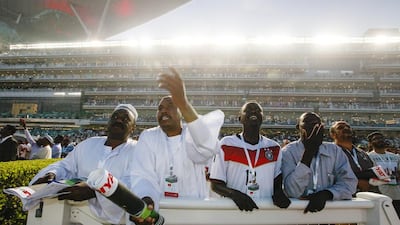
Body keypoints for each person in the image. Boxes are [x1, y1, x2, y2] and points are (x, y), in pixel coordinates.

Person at [130, 67, 224, 211]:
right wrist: (146, 199)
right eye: (160, 108)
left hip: (193, 212)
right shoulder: (148, 137)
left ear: (181, 112)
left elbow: (206, 147)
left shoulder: (192, 134)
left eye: (170, 106)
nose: (163, 111)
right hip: (160, 209)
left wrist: (183, 103)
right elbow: (143, 175)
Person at [29, 104, 140, 224]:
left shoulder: (138, 150)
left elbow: (134, 184)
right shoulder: (88, 144)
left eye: (125, 119)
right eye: (115, 117)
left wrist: (95, 192)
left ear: (133, 127)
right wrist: (52, 174)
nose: (118, 120)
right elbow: (65, 165)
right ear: (108, 122)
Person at [209, 101, 291, 211]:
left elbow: (277, 181)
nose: (253, 112)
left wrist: (278, 193)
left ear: (262, 118)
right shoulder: (226, 144)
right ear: (239, 118)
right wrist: (235, 195)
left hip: (264, 210)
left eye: (258, 111)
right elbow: (216, 184)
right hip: (235, 210)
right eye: (247, 111)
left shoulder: (274, 147)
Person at [281, 112, 357, 214]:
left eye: (318, 124)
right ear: (298, 127)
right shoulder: (288, 152)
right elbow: (292, 191)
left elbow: (349, 184)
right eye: (308, 123)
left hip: (329, 214)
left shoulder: (335, 150)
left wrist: (327, 194)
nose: (314, 127)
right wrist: (308, 152)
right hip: (298, 214)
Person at [329, 121, 380, 193]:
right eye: (340, 127)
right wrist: (356, 182)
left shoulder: (362, 153)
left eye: (348, 127)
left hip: (368, 197)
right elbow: (326, 175)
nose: (346, 128)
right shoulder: (330, 152)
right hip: (344, 197)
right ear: (333, 134)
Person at [367, 131, 400, 218]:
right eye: (376, 139)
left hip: (397, 194)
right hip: (380, 194)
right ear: (370, 143)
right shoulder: (368, 156)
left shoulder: (395, 156)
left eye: (381, 138)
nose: (379, 140)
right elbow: (370, 177)